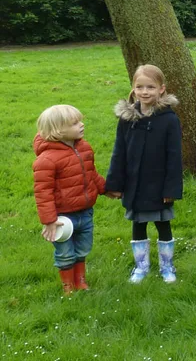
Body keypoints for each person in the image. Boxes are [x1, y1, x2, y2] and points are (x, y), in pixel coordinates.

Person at [106, 65, 183, 284]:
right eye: (140, 87)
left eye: (151, 86)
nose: (145, 91)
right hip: (135, 184)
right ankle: (141, 267)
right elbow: (118, 152)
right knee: (138, 224)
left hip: (159, 186)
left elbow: (175, 156)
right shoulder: (126, 119)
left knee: (163, 224)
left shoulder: (169, 120)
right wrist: (115, 183)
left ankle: (167, 266)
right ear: (133, 88)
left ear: (161, 89)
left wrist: (171, 189)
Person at [33, 105, 109, 294]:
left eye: (80, 120)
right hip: (62, 218)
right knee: (65, 253)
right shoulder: (47, 160)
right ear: (58, 131)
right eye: (75, 123)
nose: (81, 125)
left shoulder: (84, 147)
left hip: (85, 211)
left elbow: (91, 173)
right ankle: (68, 285)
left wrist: (107, 189)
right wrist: (49, 221)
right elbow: (43, 192)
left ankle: (80, 280)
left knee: (83, 248)